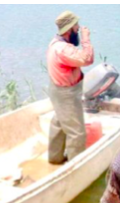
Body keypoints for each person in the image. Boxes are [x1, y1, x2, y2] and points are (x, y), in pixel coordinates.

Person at [46, 10, 94, 164]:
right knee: (77, 133)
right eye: (76, 27)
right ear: (69, 30)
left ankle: (55, 158)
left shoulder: (56, 44)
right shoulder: (63, 49)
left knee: (59, 123)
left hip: (57, 90)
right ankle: (76, 167)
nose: (78, 30)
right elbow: (87, 59)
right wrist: (86, 40)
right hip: (66, 94)